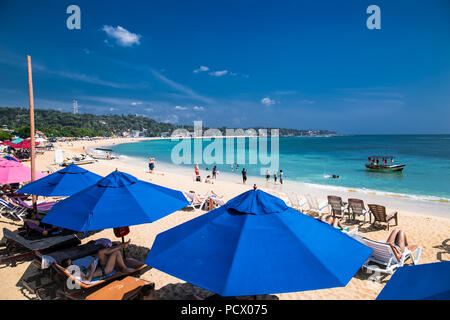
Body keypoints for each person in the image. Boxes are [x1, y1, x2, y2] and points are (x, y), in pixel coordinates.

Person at [65, 241, 134, 283]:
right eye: (70, 263)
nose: (72, 263)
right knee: (116, 253)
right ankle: (125, 269)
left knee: (100, 252)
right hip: (105, 270)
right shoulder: (76, 273)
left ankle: (121, 246)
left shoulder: (76, 269)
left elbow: (87, 270)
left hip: (99, 266)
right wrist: (92, 270)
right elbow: (87, 281)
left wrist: (94, 262)